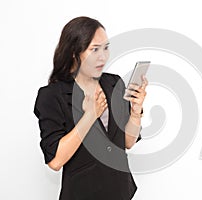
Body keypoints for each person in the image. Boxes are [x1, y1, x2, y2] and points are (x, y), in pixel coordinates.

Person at [33, 16, 147, 200]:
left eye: (106, 47)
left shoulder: (113, 83)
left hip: (121, 192)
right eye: (94, 49)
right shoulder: (52, 95)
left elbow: (127, 142)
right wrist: (90, 116)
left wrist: (135, 112)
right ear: (73, 53)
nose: (102, 56)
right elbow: (55, 161)